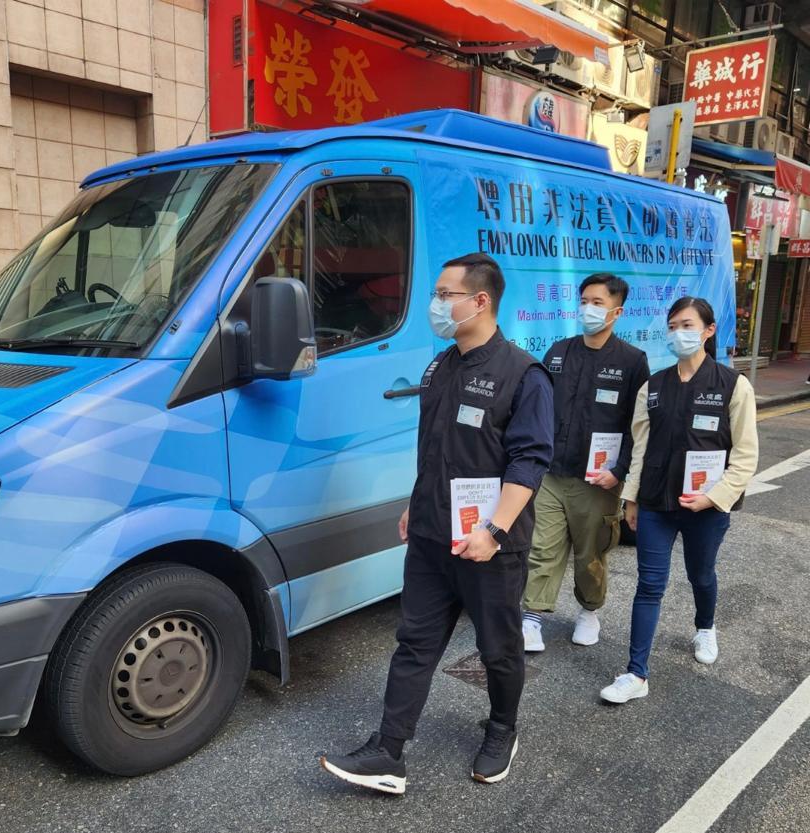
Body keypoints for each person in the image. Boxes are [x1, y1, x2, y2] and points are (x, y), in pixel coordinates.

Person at [319, 253, 554, 792]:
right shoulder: (440, 367)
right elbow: (438, 449)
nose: (435, 304)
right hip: (430, 535)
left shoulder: (523, 375)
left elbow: (529, 463)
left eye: (445, 294)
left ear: (480, 302)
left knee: (498, 648)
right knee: (414, 643)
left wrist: (492, 532)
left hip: (490, 545)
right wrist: (415, 501)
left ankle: (501, 729)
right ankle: (388, 752)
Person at [601, 297, 759, 704]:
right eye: (672, 326)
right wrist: (631, 498)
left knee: (701, 575)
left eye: (687, 325)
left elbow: (745, 456)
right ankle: (636, 674)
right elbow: (640, 447)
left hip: (706, 508)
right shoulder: (653, 387)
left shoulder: (732, 385)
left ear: (708, 331)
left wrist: (715, 497)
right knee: (649, 585)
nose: (678, 334)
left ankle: (705, 626)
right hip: (655, 504)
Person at [522, 274, 649, 651]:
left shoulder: (631, 361)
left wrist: (621, 472)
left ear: (617, 311)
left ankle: (589, 611)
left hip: (598, 480)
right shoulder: (558, 352)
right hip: (550, 472)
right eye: (584, 300)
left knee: (590, 553)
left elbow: (637, 425)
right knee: (541, 546)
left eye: (597, 302)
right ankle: (532, 617)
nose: (587, 309)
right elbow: (538, 408)